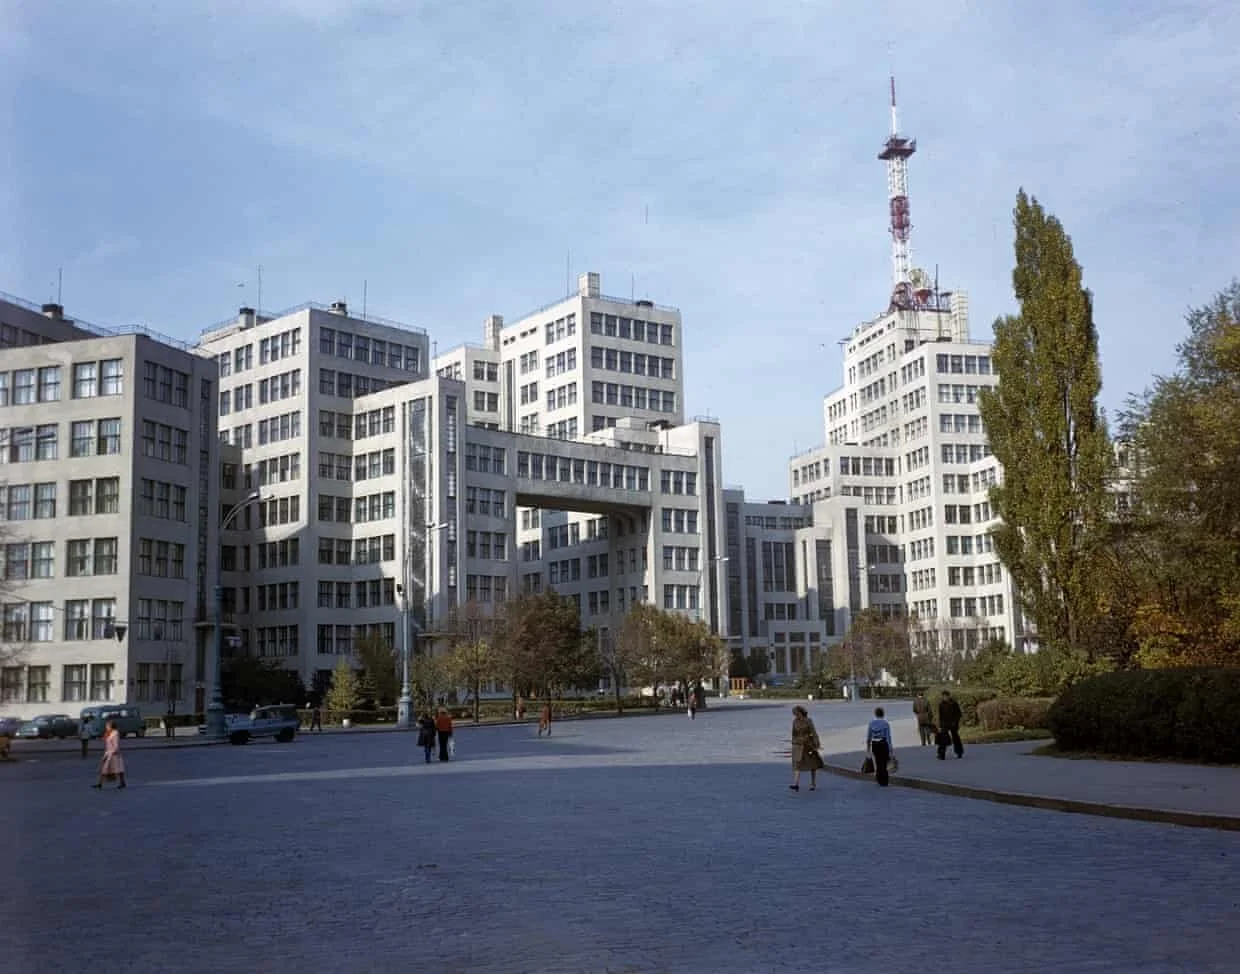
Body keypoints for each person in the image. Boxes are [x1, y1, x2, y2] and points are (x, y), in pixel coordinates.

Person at [789, 705, 824, 792]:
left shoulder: (808, 721)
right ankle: (796, 784)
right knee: (797, 764)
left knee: (812, 764)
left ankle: (813, 783)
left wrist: (817, 743)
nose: (796, 716)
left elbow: (814, 732)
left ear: (801, 713)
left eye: (797, 714)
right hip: (798, 745)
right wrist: (793, 742)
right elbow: (793, 733)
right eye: (794, 714)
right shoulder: (795, 722)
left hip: (808, 745)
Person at [92, 719, 127, 790]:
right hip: (108, 753)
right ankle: (100, 783)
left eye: (107, 725)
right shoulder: (109, 732)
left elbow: (116, 743)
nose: (106, 727)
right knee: (105, 768)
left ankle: (122, 783)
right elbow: (105, 740)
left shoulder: (115, 733)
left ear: (111, 726)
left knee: (119, 769)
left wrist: (115, 750)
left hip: (114, 753)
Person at [866, 707, 894, 787]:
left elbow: (869, 737)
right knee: (884, 762)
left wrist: (868, 747)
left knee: (878, 762)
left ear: (875, 714)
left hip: (875, 744)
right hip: (883, 743)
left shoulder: (871, 723)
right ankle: (885, 780)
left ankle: (879, 779)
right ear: (883, 714)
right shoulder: (885, 724)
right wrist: (890, 748)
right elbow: (888, 736)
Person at [937, 691, 964, 759]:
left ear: (949, 696)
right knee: (943, 739)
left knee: (956, 738)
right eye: (943, 696)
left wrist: (955, 722)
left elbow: (959, 714)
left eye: (946, 696)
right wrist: (940, 725)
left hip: (953, 723)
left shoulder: (954, 703)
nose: (945, 698)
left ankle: (959, 752)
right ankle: (941, 754)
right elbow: (940, 716)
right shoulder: (941, 704)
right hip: (944, 724)